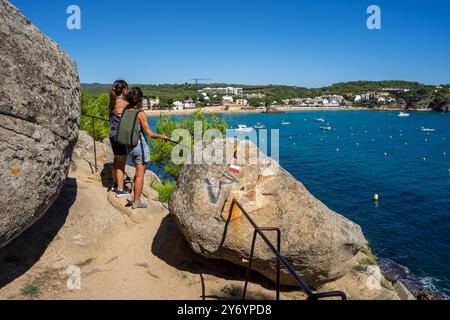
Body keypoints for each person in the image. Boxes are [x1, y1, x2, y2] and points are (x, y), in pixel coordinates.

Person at [124, 87, 169, 209]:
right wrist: (162, 136)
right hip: (140, 147)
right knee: (140, 175)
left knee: (138, 172)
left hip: (129, 147)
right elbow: (149, 133)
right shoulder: (140, 113)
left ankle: (132, 195)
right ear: (140, 99)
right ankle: (137, 202)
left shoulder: (125, 111)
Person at [109, 80, 130, 197]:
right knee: (121, 163)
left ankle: (114, 183)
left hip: (112, 135)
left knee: (116, 160)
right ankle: (120, 189)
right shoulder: (124, 104)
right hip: (120, 136)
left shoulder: (112, 102)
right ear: (124, 89)